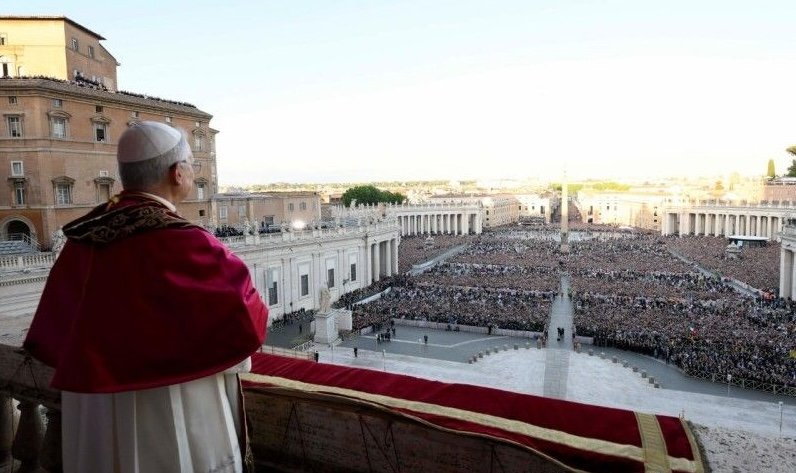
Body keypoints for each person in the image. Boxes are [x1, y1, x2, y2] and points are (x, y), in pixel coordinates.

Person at [23, 121, 268, 473]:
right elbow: (247, 315)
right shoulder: (184, 241)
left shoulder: (82, 240)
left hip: (95, 408)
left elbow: (55, 331)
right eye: (191, 165)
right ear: (177, 173)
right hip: (172, 400)